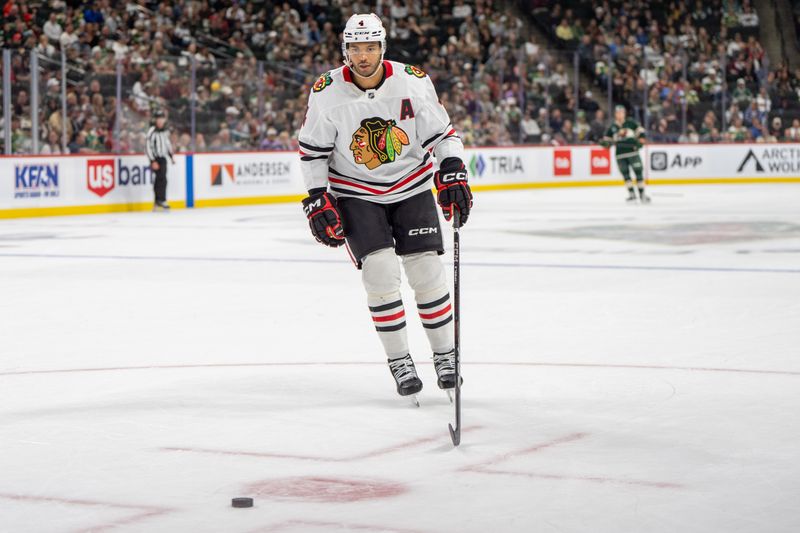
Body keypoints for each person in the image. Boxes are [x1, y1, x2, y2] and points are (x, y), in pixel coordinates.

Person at [297, 13, 473, 400]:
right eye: (356, 48)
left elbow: (443, 134)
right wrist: (315, 197)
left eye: (370, 46)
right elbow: (313, 153)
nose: (363, 56)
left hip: (410, 185)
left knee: (426, 272)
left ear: (383, 47)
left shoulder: (412, 80)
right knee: (379, 273)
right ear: (346, 50)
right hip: (356, 192)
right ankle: (400, 362)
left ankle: (445, 355)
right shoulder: (326, 91)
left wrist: (452, 167)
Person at [601, 105, 650, 203]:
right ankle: (632, 194)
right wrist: (605, 143)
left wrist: (641, 141)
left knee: (638, 172)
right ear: (615, 114)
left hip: (632, 152)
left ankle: (642, 194)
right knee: (626, 175)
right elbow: (607, 141)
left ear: (624, 113)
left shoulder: (631, 123)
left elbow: (641, 133)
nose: (620, 114)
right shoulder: (612, 127)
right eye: (618, 112)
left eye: (621, 112)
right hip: (620, 154)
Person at [145, 109, 174, 211]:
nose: (160, 121)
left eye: (162, 118)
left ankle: (159, 200)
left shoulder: (165, 131)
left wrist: (171, 156)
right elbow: (148, 146)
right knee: (160, 178)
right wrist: (152, 160)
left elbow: (167, 143)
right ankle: (160, 200)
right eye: (158, 119)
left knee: (162, 179)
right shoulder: (152, 131)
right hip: (156, 158)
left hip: (163, 157)